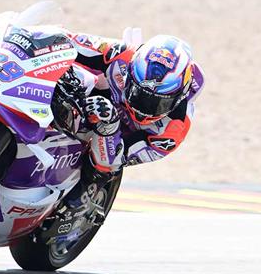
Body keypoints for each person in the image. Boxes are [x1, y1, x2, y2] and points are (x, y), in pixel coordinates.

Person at [56, 31, 205, 212]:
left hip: (125, 137)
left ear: (179, 96)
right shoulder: (121, 54)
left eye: (159, 102)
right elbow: (67, 40)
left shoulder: (173, 129)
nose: (144, 107)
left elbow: (116, 160)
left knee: (104, 169)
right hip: (99, 101)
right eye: (139, 93)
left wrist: (109, 127)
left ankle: (78, 200)